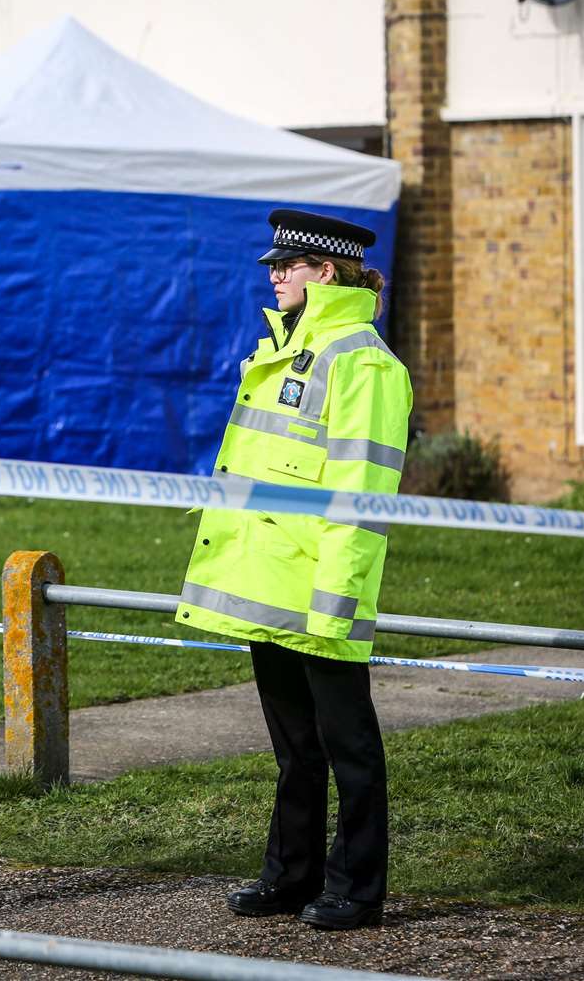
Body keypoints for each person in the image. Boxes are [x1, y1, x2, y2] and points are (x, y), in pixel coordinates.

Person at [176, 209, 412, 932]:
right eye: (274, 264)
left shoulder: (362, 363)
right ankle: (290, 877)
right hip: (269, 589)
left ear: (329, 272)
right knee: (295, 751)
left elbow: (361, 495)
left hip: (320, 593)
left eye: (291, 265)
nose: (274, 275)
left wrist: (336, 598)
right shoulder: (284, 352)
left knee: (351, 750)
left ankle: (359, 891)